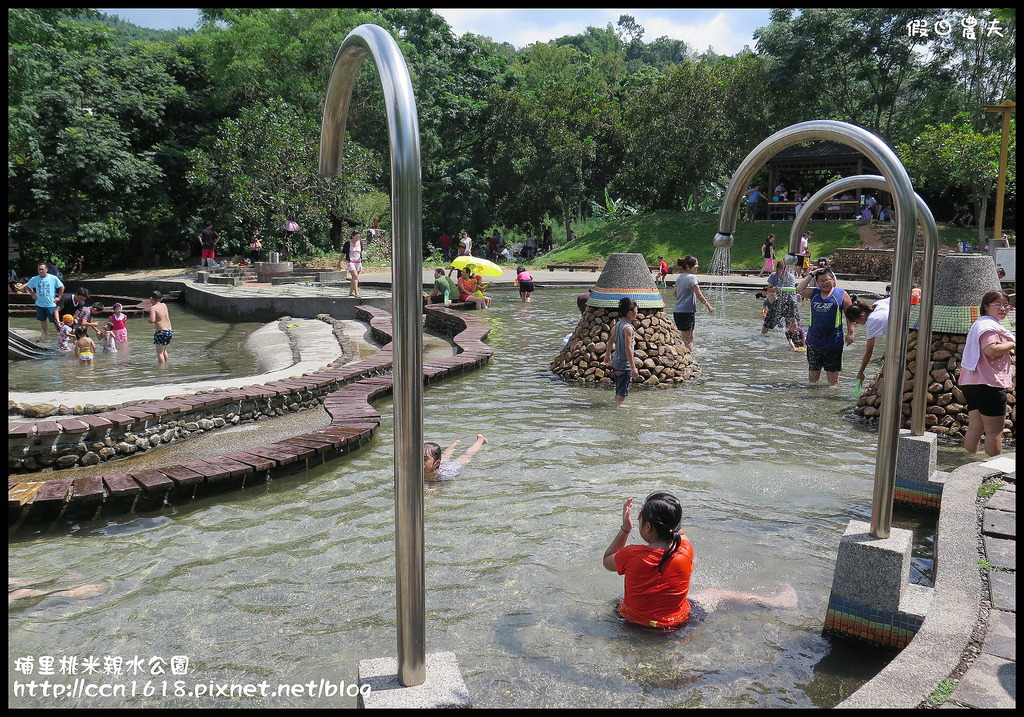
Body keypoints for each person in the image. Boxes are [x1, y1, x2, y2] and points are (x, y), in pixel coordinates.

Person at [602, 492, 798, 630]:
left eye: (639, 521)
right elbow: (678, 532)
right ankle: (777, 603)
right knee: (715, 594)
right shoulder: (685, 551)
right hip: (675, 626)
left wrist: (625, 528)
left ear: (647, 527)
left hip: (630, 623)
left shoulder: (630, 555)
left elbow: (607, 560)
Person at [959, 291, 1015, 457]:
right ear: (985, 306)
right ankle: (992, 470)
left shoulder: (980, 323)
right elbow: (991, 350)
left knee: (975, 427)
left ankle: (968, 459)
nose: (1003, 308)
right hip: (989, 384)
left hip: (971, 382)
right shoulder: (989, 327)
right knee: (994, 432)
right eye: (997, 304)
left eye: (1006, 304)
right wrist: (1011, 344)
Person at [796, 268, 855, 386]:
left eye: (827, 280)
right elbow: (799, 289)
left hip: (833, 341)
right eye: (821, 281)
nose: (824, 283)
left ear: (832, 280)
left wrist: (851, 333)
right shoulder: (814, 293)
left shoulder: (841, 294)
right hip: (814, 340)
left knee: (832, 381)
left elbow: (850, 315)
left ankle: (830, 400)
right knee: (813, 379)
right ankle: (813, 399)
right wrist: (812, 274)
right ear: (817, 282)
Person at [845, 294, 890, 385]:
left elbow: (869, 352)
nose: (858, 324)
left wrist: (861, 372)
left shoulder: (872, 322)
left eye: (856, 322)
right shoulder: (878, 304)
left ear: (862, 315)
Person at [603, 297, 639, 405]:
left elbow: (610, 341)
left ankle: (616, 403)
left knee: (619, 387)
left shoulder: (618, 324)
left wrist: (608, 354)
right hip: (624, 365)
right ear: (630, 313)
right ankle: (618, 407)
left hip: (616, 363)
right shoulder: (628, 328)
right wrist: (633, 367)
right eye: (636, 310)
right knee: (622, 391)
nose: (637, 312)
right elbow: (628, 348)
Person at [673, 255, 713, 353]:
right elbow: (699, 294)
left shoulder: (680, 277)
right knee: (689, 339)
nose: (697, 266)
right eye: (695, 264)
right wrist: (708, 305)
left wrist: (682, 298)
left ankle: (681, 355)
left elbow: (674, 294)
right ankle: (689, 359)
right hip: (686, 312)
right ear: (687, 266)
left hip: (677, 311)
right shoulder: (692, 277)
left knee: (686, 336)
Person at [424, 434, 488, 481]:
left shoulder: (442, 474)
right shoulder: (419, 469)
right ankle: (454, 444)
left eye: (425, 459)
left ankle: (480, 440)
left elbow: (450, 480)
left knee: (467, 455)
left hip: (449, 468)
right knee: (444, 457)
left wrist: (434, 487)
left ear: (436, 463)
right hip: (440, 465)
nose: (420, 461)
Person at [25, 262, 64, 337]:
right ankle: (46, 334)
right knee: (42, 319)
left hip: (51, 304)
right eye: (39, 269)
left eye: (42, 269)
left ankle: (60, 334)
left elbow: (62, 287)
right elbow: (27, 287)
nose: (41, 271)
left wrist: (59, 297)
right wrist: (33, 295)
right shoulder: (35, 279)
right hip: (40, 303)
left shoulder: (53, 278)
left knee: (55, 320)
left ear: (46, 269)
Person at [762, 261, 797, 335]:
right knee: (767, 324)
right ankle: (762, 337)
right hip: (777, 302)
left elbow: (791, 291)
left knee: (791, 325)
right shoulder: (773, 276)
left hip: (790, 302)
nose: (784, 272)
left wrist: (777, 289)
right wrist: (776, 289)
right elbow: (769, 289)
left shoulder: (790, 276)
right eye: (782, 270)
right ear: (777, 268)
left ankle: (790, 339)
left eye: (785, 270)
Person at [148, 290, 173, 364]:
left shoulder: (153, 308)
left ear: (151, 298)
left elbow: (152, 320)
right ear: (161, 299)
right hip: (169, 331)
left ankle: (162, 370)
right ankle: (167, 364)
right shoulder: (164, 305)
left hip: (161, 332)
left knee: (160, 353)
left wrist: (148, 321)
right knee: (164, 350)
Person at [342, 230, 365, 298]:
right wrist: (339, 262)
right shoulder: (348, 243)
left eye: (358, 237)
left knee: (354, 277)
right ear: (352, 236)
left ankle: (350, 292)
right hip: (350, 261)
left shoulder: (360, 243)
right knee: (355, 276)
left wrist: (363, 258)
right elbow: (343, 253)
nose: (357, 239)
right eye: (356, 237)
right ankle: (356, 293)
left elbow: (362, 252)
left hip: (358, 262)